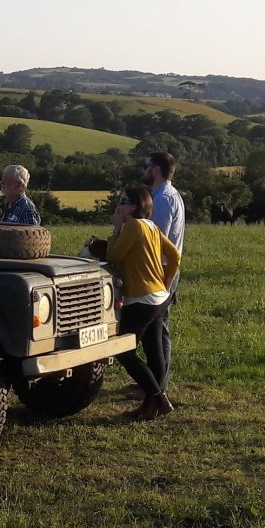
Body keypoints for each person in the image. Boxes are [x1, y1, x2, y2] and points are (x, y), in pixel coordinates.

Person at [104, 185, 180, 421]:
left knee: (123, 352)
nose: (119, 205)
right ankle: (150, 406)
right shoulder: (152, 226)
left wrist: (117, 228)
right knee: (154, 352)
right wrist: (166, 281)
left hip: (141, 300)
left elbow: (113, 256)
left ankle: (158, 398)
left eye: (124, 201)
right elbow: (175, 255)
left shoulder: (134, 226)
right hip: (160, 297)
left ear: (136, 206)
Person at [142, 151, 184, 393]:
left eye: (146, 166)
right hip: (166, 269)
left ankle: (157, 385)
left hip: (162, 271)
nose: (144, 170)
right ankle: (155, 381)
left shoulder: (162, 199)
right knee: (157, 328)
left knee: (159, 329)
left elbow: (157, 240)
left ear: (156, 170)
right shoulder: (169, 194)